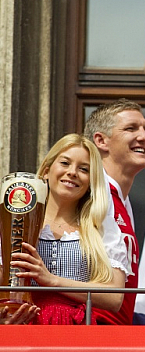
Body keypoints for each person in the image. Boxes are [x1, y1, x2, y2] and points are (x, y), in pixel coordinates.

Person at [10, 134, 128, 324]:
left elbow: (114, 299)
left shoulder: (101, 229)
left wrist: (52, 281)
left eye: (84, 169)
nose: (72, 172)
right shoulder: (16, 222)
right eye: (65, 163)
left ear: (91, 182)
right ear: (47, 171)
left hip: (76, 334)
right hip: (24, 328)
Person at [84, 99, 145, 325]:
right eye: (131, 128)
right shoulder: (87, 193)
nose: (144, 137)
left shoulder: (122, 199)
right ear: (101, 141)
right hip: (87, 331)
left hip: (116, 333)